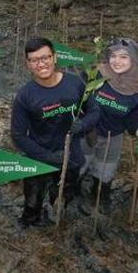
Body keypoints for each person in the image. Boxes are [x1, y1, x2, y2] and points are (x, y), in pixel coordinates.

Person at [10, 37, 97, 227]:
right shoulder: (25, 95)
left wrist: (83, 125)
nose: (41, 64)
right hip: (38, 156)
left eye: (45, 57)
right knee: (32, 200)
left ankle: (55, 217)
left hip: (71, 155)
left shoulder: (75, 83)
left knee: (63, 195)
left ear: (54, 57)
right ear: (28, 64)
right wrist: (48, 156)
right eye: (34, 60)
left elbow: (94, 111)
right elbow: (18, 135)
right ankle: (31, 221)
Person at [84, 38, 138, 215]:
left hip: (113, 136)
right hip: (86, 131)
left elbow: (132, 121)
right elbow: (77, 99)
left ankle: (100, 196)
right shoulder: (97, 74)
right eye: (113, 56)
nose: (117, 61)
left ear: (133, 60)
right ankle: (72, 193)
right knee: (79, 165)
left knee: (105, 171)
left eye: (124, 57)